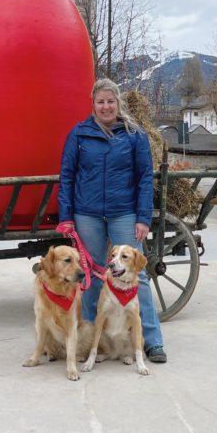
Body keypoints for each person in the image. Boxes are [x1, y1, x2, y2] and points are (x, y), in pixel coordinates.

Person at [57, 78, 166, 363]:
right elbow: (67, 176)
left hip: (124, 213)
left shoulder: (134, 135)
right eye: (100, 101)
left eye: (110, 101)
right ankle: (93, 341)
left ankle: (151, 340)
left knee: (137, 276)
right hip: (87, 214)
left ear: (118, 104)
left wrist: (143, 217)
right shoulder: (79, 135)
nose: (105, 106)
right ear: (92, 104)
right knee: (91, 277)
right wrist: (66, 216)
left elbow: (145, 178)